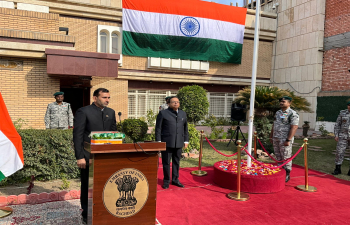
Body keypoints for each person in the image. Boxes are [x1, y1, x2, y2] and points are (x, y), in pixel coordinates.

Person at [73, 88, 117, 224]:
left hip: (106, 157)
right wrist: (79, 156)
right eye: (104, 97)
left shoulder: (111, 112)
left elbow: (114, 132)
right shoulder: (84, 111)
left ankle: (105, 209)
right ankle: (86, 213)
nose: (107, 100)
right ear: (95, 98)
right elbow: (78, 135)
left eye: (108, 97)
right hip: (88, 156)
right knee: (88, 185)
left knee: (106, 184)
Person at [155, 96, 189, 189]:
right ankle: (166, 181)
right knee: (166, 162)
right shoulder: (163, 113)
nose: (176, 103)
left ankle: (175, 180)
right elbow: (158, 129)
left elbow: (185, 128)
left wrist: (186, 140)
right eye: (173, 102)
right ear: (168, 104)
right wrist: (158, 142)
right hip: (166, 142)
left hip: (178, 142)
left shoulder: (183, 113)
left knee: (176, 162)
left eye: (177, 102)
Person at [270, 96, 299, 182]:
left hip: (285, 139)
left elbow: (294, 127)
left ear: (289, 103)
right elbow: (274, 124)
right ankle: (280, 172)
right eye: (281, 101)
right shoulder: (278, 112)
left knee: (286, 156)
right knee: (278, 156)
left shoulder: (292, 114)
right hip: (276, 138)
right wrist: (271, 136)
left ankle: (287, 173)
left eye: (283, 101)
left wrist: (288, 140)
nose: (281, 103)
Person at [332, 101, 350, 175]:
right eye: (348, 105)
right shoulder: (343, 113)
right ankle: (337, 168)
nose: (349, 107)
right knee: (339, 152)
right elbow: (337, 125)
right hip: (343, 136)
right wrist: (336, 135)